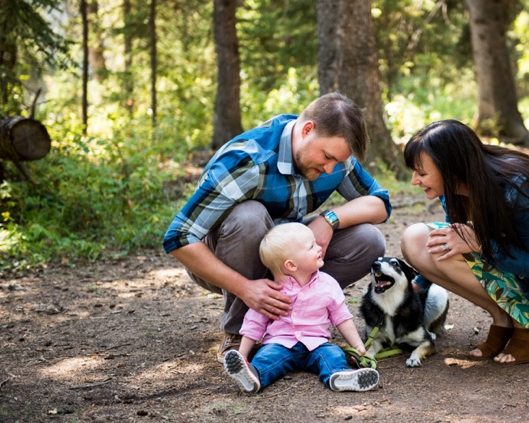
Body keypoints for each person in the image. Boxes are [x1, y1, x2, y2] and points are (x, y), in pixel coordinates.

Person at [163, 93, 391, 361]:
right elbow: (178, 237)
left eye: (337, 162)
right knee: (249, 216)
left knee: (369, 240)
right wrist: (245, 287)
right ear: (307, 130)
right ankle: (240, 332)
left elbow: (380, 204)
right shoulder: (247, 161)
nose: (331, 170)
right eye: (327, 157)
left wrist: (329, 220)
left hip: (285, 258)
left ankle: (299, 313)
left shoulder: (336, 159)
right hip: (225, 257)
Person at [400, 120, 529, 364]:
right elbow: (451, 240)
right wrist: (417, 285)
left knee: (453, 241)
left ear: (451, 169)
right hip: (505, 253)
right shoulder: (452, 190)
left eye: (422, 173)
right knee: (414, 239)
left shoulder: (518, 187)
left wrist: (480, 244)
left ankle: (528, 322)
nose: (415, 181)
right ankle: (504, 317)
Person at [222, 222, 379, 393]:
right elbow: (254, 324)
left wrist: (358, 346)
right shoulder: (272, 291)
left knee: (333, 355)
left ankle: (340, 375)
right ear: (291, 265)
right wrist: (243, 355)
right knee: (266, 358)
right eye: (312, 246)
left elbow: (342, 317)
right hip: (280, 344)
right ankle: (252, 375)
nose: (319, 247)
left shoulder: (327, 284)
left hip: (317, 344)